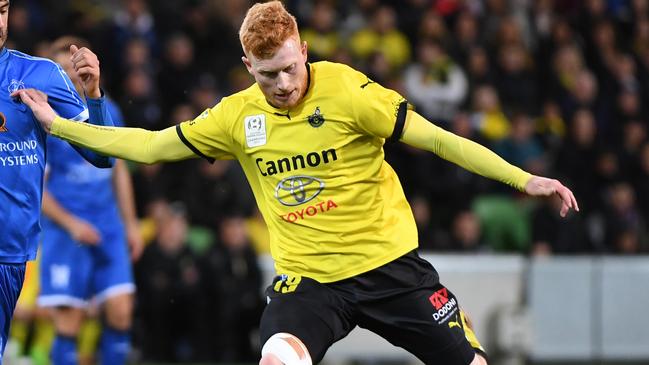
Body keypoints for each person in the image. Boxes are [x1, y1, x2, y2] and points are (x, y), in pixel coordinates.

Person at [15, 2, 579, 364]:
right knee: (277, 359)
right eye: (267, 75)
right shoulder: (237, 117)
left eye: (290, 67)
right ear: (246, 66)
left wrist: (523, 178)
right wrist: (62, 125)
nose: (283, 84)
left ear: (305, 50)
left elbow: (438, 139)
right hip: (310, 283)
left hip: (391, 270)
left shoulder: (352, 93)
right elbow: (150, 145)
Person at [0, 0, 116, 360]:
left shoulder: (40, 75)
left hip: (8, 250)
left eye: (2, 9)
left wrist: (93, 95)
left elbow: (102, 155)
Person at [37, 36, 142, 365]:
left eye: (73, 66)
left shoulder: (108, 110)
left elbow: (118, 170)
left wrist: (131, 223)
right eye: (61, 69)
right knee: (69, 319)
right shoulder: (44, 118)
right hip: (65, 229)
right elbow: (36, 188)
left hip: (107, 225)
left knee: (122, 310)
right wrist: (72, 224)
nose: (70, 74)